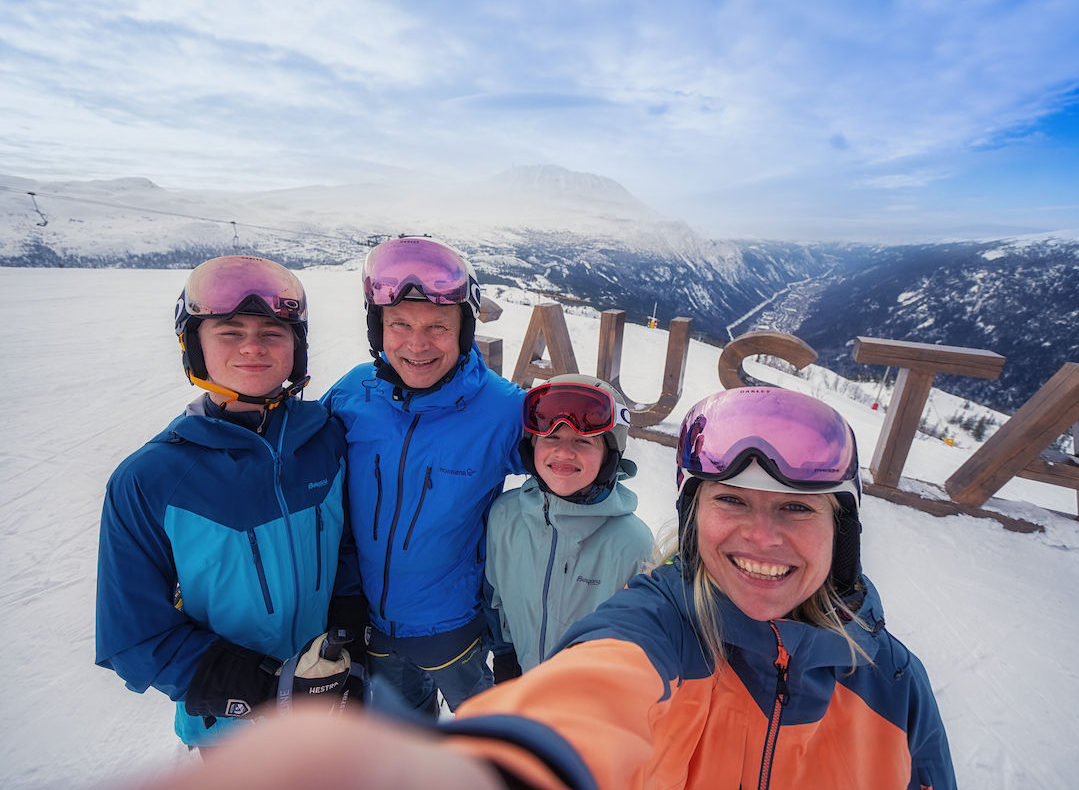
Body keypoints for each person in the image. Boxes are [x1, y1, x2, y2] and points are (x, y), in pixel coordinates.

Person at [127, 385, 956, 790]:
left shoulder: (894, 688)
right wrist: (503, 764)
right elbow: (594, 686)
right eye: (730, 501)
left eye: (797, 510)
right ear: (694, 516)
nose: (762, 537)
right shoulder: (667, 624)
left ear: (842, 527)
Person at [95, 255, 366, 748]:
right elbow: (134, 638)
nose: (253, 348)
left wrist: (349, 636)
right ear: (194, 346)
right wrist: (268, 689)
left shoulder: (326, 440)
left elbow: (345, 548)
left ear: (297, 347)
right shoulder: (150, 478)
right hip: (232, 731)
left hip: (332, 701)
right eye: (229, 331)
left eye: (273, 331)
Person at [321, 236, 525, 716]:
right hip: (371, 627)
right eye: (400, 324)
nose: (417, 344)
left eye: (438, 326)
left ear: (464, 330)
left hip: (453, 627)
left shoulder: (502, 409)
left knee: (489, 745)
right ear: (379, 328)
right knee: (405, 745)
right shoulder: (354, 393)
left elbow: (570, 472)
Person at [485, 374, 654, 680]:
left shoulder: (633, 544)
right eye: (551, 438)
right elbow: (495, 598)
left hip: (587, 701)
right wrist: (505, 657)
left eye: (583, 441)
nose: (564, 453)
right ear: (531, 446)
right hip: (520, 680)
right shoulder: (505, 516)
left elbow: (638, 642)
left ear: (609, 456)